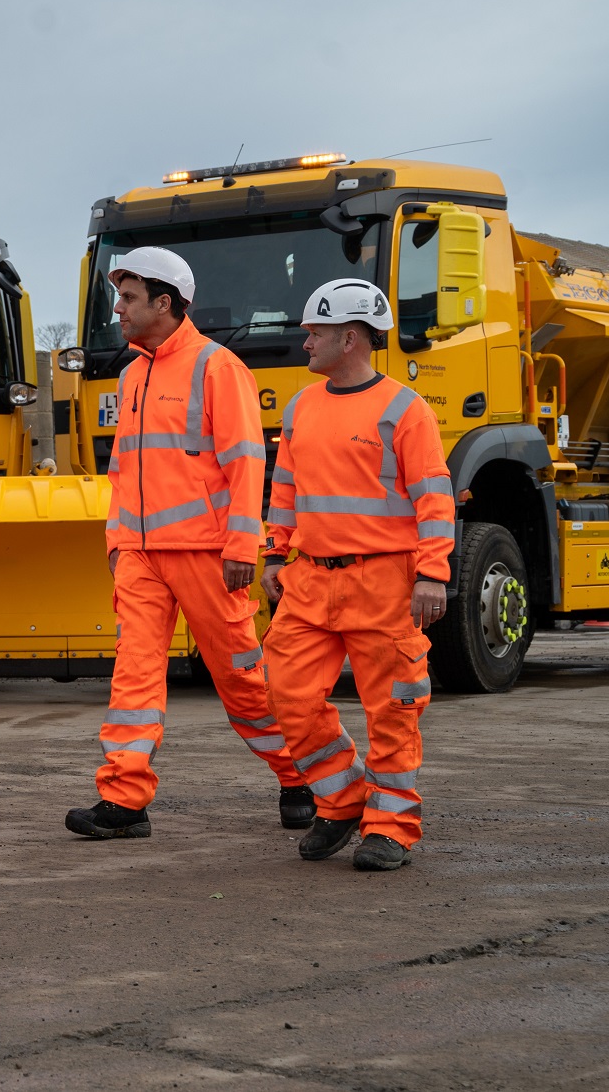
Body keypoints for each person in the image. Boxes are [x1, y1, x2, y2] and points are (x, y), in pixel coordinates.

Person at [65, 247, 314, 839]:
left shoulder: (216, 368)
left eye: (128, 299)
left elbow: (247, 464)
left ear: (165, 302)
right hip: (141, 555)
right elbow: (124, 468)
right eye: (118, 297)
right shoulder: (130, 375)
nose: (118, 310)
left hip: (207, 554)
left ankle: (300, 773)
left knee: (244, 682)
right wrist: (118, 540)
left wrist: (239, 548)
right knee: (133, 677)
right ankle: (124, 798)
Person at [260, 278, 452, 872]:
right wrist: (274, 551)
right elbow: (285, 490)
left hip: (388, 583)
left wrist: (432, 573)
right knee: (284, 692)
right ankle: (341, 802)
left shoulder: (404, 410)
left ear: (350, 338)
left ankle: (391, 825)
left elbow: (434, 497)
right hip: (311, 580)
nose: (304, 341)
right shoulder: (301, 407)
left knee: (392, 708)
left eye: (314, 332)